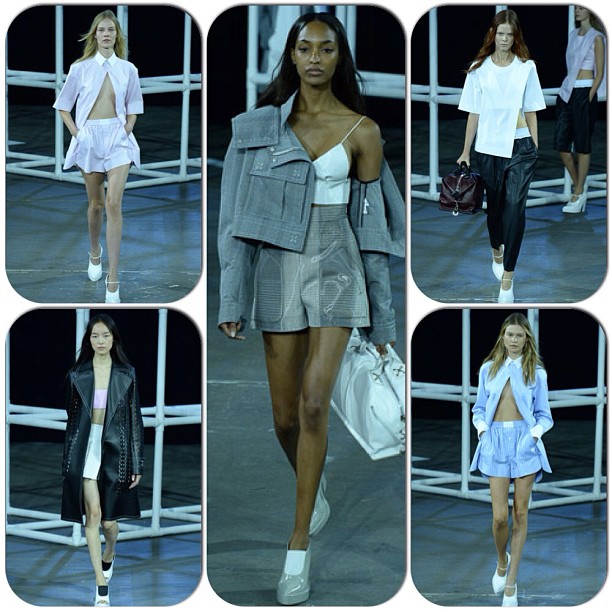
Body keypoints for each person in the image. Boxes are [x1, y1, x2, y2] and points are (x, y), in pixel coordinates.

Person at [216, 11, 404, 606]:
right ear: (291, 56)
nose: (316, 57)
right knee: (284, 418)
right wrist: (232, 295)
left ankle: (296, 548)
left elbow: (372, 234)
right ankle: (312, 484)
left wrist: (382, 321)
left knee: (315, 403)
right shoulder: (257, 128)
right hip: (277, 269)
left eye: (326, 48)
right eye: (305, 48)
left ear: (339, 57)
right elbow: (233, 219)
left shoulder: (363, 132)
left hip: (337, 266)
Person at [53, 10, 144, 303]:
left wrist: (126, 130)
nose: (106, 34)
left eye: (111, 30)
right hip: (89, 137)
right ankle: (95, 252)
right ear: (95, 35)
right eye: (102, 30)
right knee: (96, 205)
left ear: (117, 35)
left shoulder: (128, 69)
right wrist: (77, 133)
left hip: (118, 138)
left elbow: (134, 106)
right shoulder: (80, 68)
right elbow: (63, 105)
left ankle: (113, 279)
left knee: (113, 203)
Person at [457, 9, 545, 304]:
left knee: (515, 209)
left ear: (515, 36)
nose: (505, 39)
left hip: (520, 146)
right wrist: (466, 150)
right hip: (488, 148)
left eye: (510, 34)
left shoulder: (526, 68)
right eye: (501, 33)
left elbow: (531, 109)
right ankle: (496, 250)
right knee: (494, 211)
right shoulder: (478, 69)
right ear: (493, 35)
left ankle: (508, 277)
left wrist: (534, 145)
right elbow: (473, 113)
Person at [470, 313, 553, 607]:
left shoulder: (536, 373)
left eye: (519, 335)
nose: (514, 340)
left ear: (526, 338)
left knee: (520, 514)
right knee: (499, 517)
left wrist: (533, 436)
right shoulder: (488, 369)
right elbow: (479, 409)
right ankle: (501, 561)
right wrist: (483, 432)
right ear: (502, 337)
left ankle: (511, 585)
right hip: (494, 442)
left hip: (524, 444)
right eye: (510, 334)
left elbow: (545, 416)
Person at [62, 314, 144, 607]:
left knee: (109, 524)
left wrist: (137, 462)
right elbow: (72, 418)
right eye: (95, 336)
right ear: (89, 339)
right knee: (93, 516)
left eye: (105, 336)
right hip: (85, 448)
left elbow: (134, 418)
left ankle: (110, 553)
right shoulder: (77, 374)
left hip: (114, 449)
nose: (100, 341)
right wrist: (69, 458)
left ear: (113, 339)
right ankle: (100, 585)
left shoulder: (126, 373)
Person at [554, 6, 606, 214]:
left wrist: (590, 95)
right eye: (576, 7)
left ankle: (577, 192)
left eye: (581, 7)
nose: (577, 10)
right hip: (568, 92)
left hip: (585, 92)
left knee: (583, 144)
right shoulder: (573, 35)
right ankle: (579, 187)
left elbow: (600, 72)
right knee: (562, 145)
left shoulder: (597, 37)